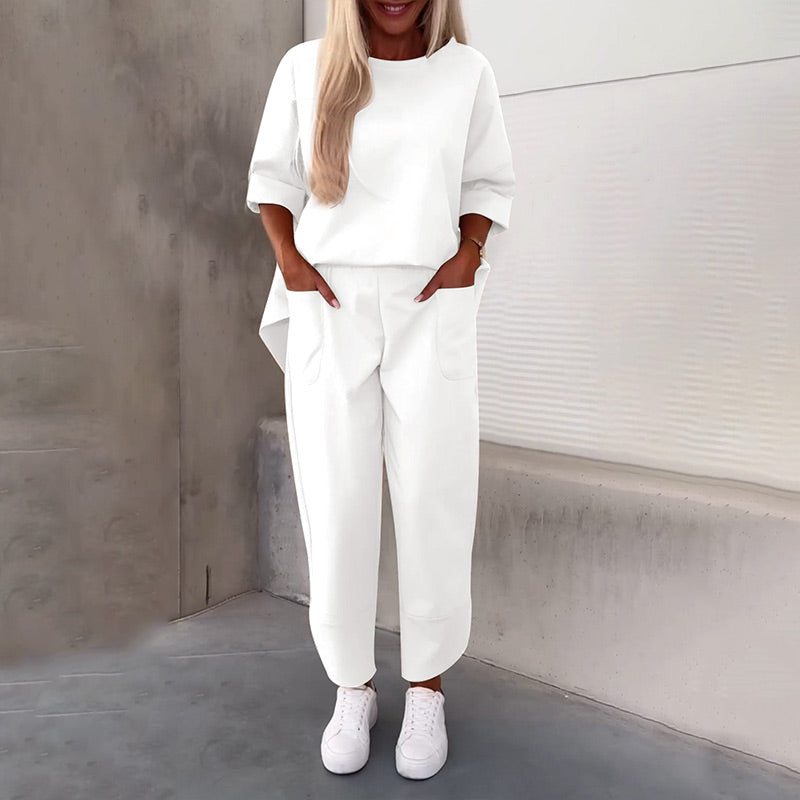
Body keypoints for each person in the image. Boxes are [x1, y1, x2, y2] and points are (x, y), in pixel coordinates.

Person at [245, 0, 514, 781]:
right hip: (331, 302)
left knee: (435, 493)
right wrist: (292, 264)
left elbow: (487, 182)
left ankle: (427, 688)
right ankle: (351, 687)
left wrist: (467, 256)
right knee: (337, 498)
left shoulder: (466, 74)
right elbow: (272, 179)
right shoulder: (307, 70)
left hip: (429, 301)